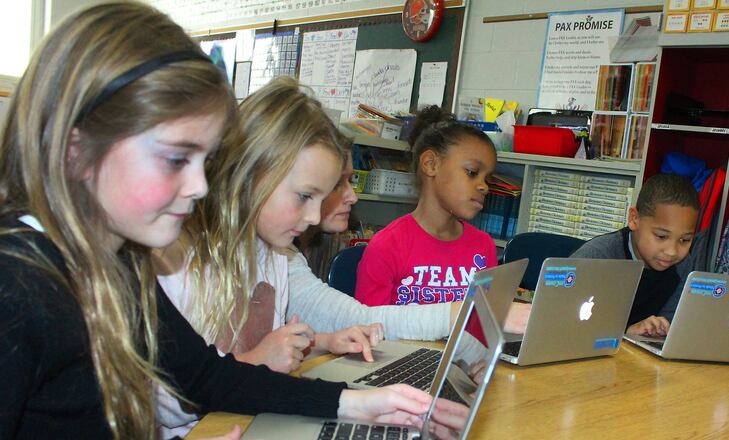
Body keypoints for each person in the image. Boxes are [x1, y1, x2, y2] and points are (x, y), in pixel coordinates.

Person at [0, 3, 452, 439]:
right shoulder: (17, 285)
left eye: (205, 159)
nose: (200, 185)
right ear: (77, 150)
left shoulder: (119, 260)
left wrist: (356, 403)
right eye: (177, 158)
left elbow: (205, 377)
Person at [154, 77, 430, 436]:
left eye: (322, 197)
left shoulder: (274, 254)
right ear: (250, 174)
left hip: (254, 417)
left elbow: (270, 363)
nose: (315, 217)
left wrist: (319, 346)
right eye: (304, 196)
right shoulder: (176, 259)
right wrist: (256, 362)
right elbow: (165, 402)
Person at [287, 148, 531, 339]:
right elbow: (366, 320)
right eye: (338, 183)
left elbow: (354, 319)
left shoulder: (288, 259)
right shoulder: (389, 243)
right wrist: (474, 313)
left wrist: (321, 343)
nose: (353, 196)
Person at [354, 105, 499, 306]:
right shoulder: (388, 246)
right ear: (431, 164)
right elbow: (368, 328)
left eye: (487, 178)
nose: (484, 187)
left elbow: (485, 323)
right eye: (472, 172)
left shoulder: (484, 247)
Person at [571, 173, 706, 337]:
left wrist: (657, 332)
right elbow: (561, 324)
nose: (672, 251)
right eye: (661, 236)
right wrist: (625, 333)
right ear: (634, 219)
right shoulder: (595, 257)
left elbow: (668, 328)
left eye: (685, 240)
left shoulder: (683, 265)